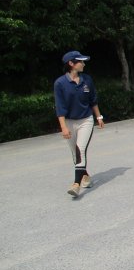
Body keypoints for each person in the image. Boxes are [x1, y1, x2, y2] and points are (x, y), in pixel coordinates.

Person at [54, 51, 104, 197]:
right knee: (75, 153)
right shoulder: (60, 83)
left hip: (85, 120)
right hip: (69, 122)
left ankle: (76, 184)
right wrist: (63, 127)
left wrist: (99, 117)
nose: (83, 64)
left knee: (80, 150)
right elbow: (60, 107)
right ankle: (85, 175)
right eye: (80, 61)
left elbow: (93, 100)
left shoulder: (87, 80)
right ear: (71, 63)